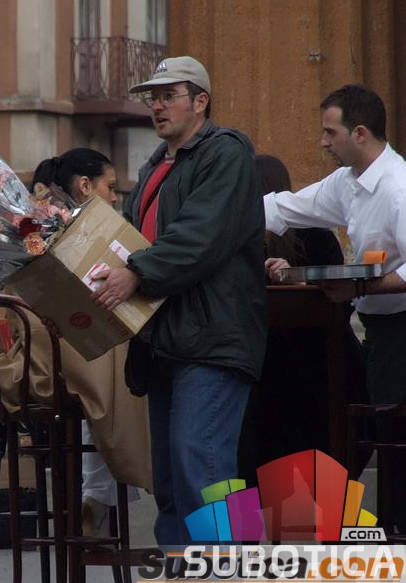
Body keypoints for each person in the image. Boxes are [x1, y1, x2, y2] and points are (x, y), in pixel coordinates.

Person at [91, 56, 267, 545]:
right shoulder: (156, 165)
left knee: (204, 469)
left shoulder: (225, 151)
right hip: (166, 338)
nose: (157, 106)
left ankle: (233, 571)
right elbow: (132, 240)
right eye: (154, 97)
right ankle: (185, 571)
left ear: (201, 101)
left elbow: (199, 236)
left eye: (169, 96)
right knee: (171, 480)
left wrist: (136, 273)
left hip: (212, 338)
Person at [263, 83, 406, 530]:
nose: (323, 142)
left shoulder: (399, 187)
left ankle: (399, 534)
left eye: (330, 132)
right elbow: (284, 208)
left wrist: (360, 287)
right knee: (387, 435)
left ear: (360, 133)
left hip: (402, 330)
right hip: (379, 331)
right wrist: (216, 216)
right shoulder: (347, 182)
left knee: (397, 437)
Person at [28, 148, 148, 535]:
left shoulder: (34, 233)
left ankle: (97, 499)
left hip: (35, 368)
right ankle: (99, 496)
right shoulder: (84, 236)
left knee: (108, 378)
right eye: (110, 187)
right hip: (66, 367)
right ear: (85, 186)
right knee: (116, 379)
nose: (114, 197)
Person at [239, 155, 361, 484]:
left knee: (259, 466)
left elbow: (337, 296)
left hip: (291, 373)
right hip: (314, 374)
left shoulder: (310, 236)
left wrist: (294, 277)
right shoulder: (249, 241)